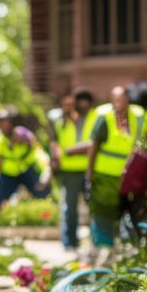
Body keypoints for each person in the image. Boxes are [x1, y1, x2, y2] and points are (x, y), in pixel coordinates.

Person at [85, 85, 147, 256]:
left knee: (133, 213)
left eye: (122, 99)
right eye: (116, 100)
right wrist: (89, 174)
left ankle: (131, 250)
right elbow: (93, 147)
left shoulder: (140, 117)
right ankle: (104, 250)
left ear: (128, 100)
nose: (119, 104)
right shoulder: (105, 118)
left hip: (133, 178)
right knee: (104, 212)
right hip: (106, 176)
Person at [50, 88, 96, 254]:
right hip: (69, 171)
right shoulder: (60, 123)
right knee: (70, 208)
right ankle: (70, 243)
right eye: (65, 104)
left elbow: (92, 143)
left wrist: (71, 150)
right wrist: (56, 157)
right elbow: (54, 143)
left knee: (93, 207)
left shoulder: (91, 119)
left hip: (88, 168)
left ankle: (95, 242)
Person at [0, 107, 51, 212]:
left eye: (5, 122)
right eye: (0, 122)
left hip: (28, 170)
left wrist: (46, 170)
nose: (2, 125)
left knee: (41, 194)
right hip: (8, 174)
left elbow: (36, 146)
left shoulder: (21, 132)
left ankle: (45, 216)